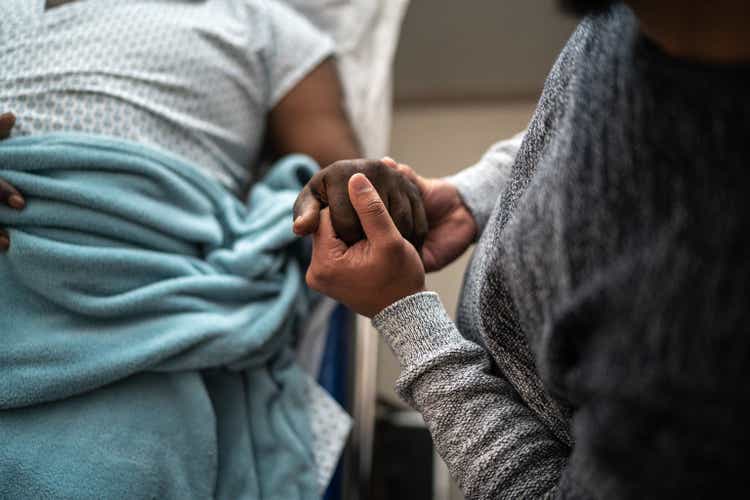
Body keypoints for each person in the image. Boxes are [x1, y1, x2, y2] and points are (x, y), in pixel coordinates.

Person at [297, 0, 750, 497]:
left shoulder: (708, 327)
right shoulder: (654, 18)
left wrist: (405, 318)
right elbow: (594, 111)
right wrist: (474, 196)